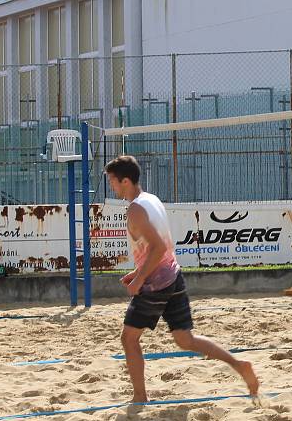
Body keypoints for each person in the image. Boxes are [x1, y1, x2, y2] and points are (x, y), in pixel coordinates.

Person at [104, 155, 259, 403]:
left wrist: (139, 279)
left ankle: (140, 397)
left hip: (156, 283)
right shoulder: (151, 199)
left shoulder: (135, 209)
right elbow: (162, 245)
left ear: (125, 181)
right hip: (173, 275)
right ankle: (239, 364)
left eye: (112, 181)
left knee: (129, 338)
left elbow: (157, 248)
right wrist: (137, 271)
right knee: (185, 339)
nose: (110, 186)